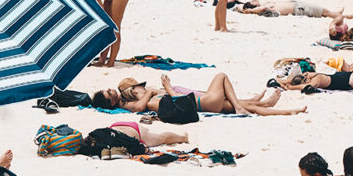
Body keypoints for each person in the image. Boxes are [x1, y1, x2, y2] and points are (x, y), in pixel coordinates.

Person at [103, 74, 306, 122]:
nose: (141, 86)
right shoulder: (143, 99)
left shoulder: (143, 97)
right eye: (138, 86)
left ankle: (286, 110)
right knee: (221, 76)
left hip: (204, 103)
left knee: (251, 107)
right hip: (202, 103)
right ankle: (242, 107)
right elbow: (142, 106)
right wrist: (164, 88)